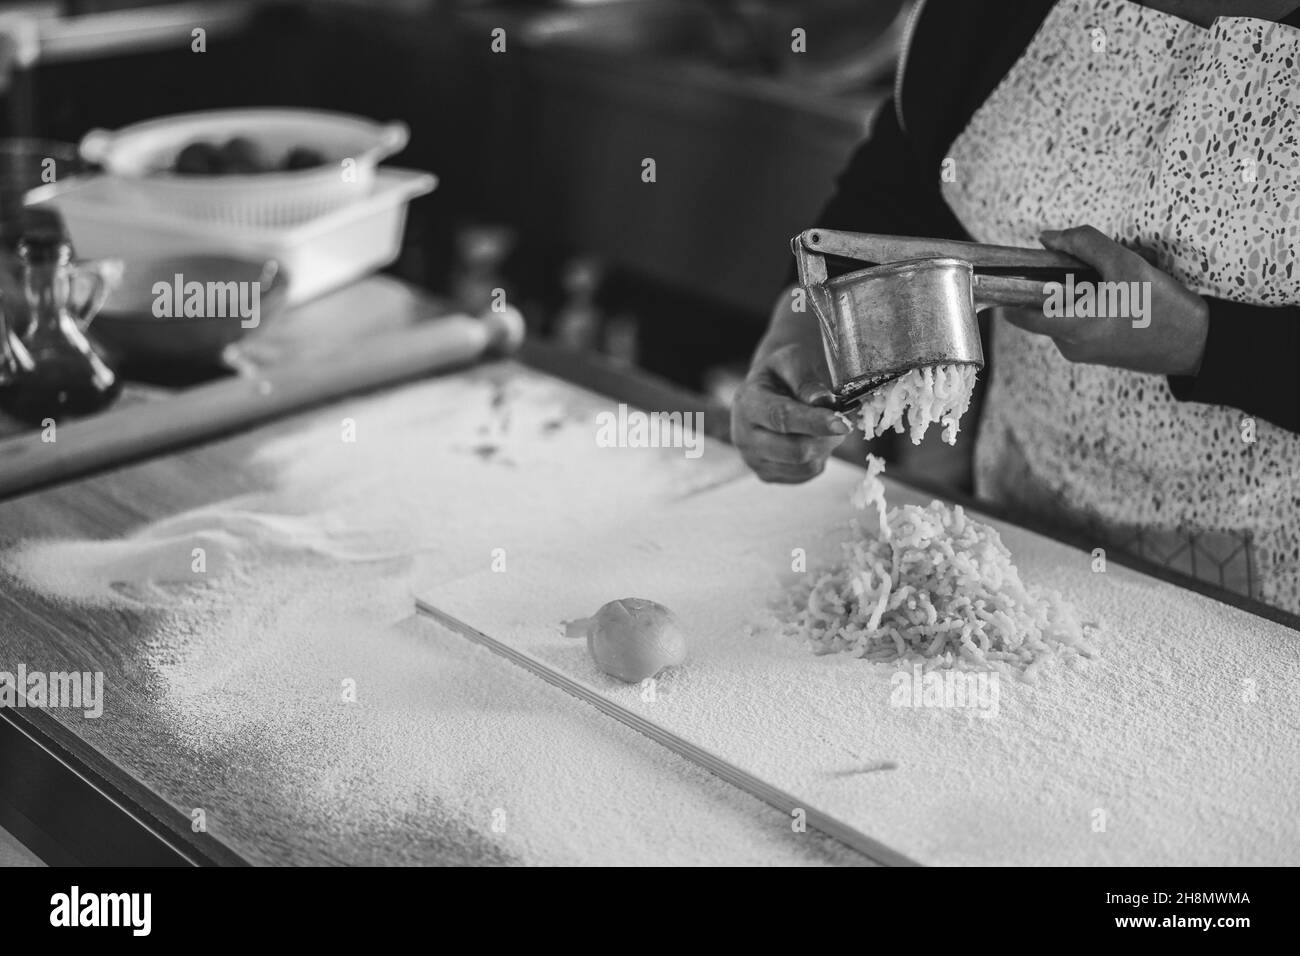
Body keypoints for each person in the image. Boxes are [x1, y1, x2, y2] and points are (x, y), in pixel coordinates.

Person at [732, 0, 1300, 610]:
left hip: (1269, 573)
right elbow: (904, 185)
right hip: (1018, 524)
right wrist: (800, 330)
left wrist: (1198, 340)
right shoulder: (985, 14)